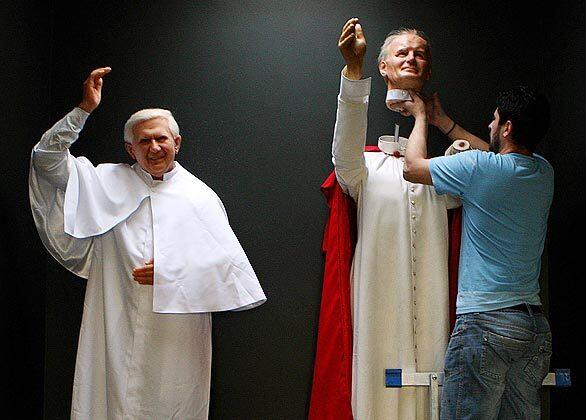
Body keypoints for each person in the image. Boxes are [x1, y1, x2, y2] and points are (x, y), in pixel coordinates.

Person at [29, 67, 266, 419]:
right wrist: (83, 110)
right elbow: (45, 160)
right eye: (144, 141)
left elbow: (232, 275)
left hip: (174, 339)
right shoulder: (103, 182)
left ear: (176, 143)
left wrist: (173, 274)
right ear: (130, 148)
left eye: (161, 139)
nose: (154, 148)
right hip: (115, 323)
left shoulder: (199, 198)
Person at [317, 18, 460, 419]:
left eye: (420, 55)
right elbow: (343, 149)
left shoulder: (444, 175)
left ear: (427, 69)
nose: (412, 58)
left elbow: (496, 167)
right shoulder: (365, 168)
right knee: (374, 378)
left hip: (433, 302)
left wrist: (436, 122)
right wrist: (353, 71)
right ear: (384, 67)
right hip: (377, 298)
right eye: (402, 52)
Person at [401, 87, 553, 419]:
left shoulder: (478, 168)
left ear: (508, 127)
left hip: (487, 324)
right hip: (532, 329)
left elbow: (412, 168)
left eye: (495, 120)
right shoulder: (543, 173)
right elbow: (494, 154)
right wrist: (447, 124)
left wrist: (422, 117)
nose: (489, 125)